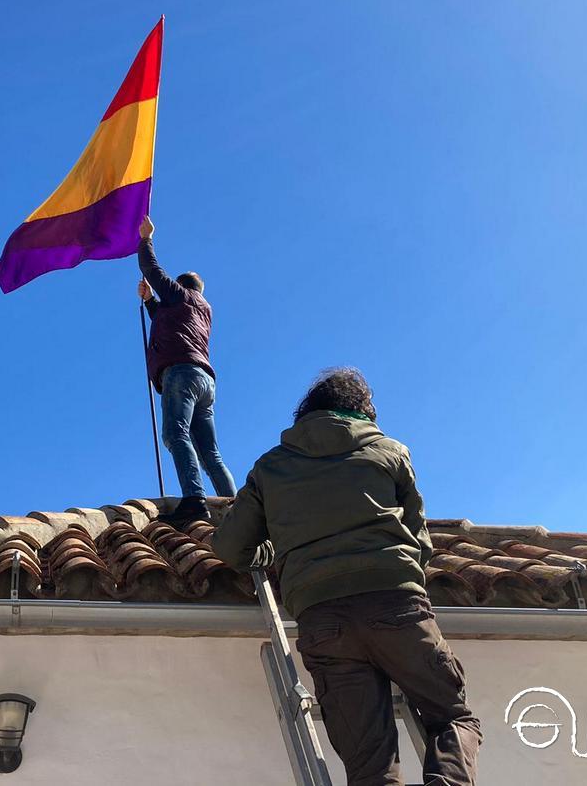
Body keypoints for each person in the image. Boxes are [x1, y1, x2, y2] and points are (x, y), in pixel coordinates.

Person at [212, 367, 481, 786]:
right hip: (397, 606)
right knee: (452, 717)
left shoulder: (271, 467)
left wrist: (273, 551)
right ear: (363, 411)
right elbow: (420, 543)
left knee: (370, 768)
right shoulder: (391, 453)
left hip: (323, 620)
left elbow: (230, 548)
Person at [136, 215, 236, 526]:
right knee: (210, 453)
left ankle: (194, 501)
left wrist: (145, 238)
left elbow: (151, 269)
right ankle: (235, 507)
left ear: (180, 287)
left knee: (175, 434)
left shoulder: (180, 295)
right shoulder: (203, 309)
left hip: (181, 375)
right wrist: (151, 300)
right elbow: (169, 324)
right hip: (204, 379)